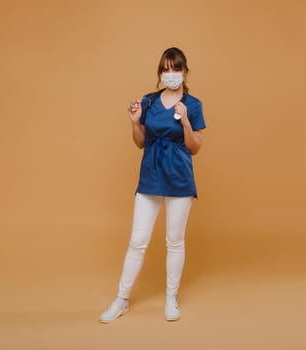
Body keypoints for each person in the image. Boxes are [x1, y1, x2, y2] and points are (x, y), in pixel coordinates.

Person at [99, 47, 206, 323]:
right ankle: (121, 299)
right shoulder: (147, 102)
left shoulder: (193, 105)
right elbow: (140, 142)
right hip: (151, 175)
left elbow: (195, 147)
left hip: (180, 177)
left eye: (176, 68)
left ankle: (171, 298)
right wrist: (134, 123)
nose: (171, 74)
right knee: (137, 241)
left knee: (175, 242)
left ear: (185, 71)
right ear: (160, 72)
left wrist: (185, 123)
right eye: (166, 69)